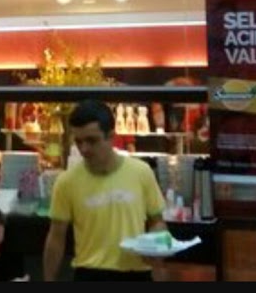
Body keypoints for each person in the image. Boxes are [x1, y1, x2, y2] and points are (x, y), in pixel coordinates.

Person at [42, 99, 166, 282]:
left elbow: (157, 221)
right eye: (79, 141)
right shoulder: (67, 182)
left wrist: (156, 244)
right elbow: (56, 237)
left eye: (92, 141)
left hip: (136, 273)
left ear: (111, 136)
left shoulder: (141, 172)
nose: (84, 149)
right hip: (90, 273)